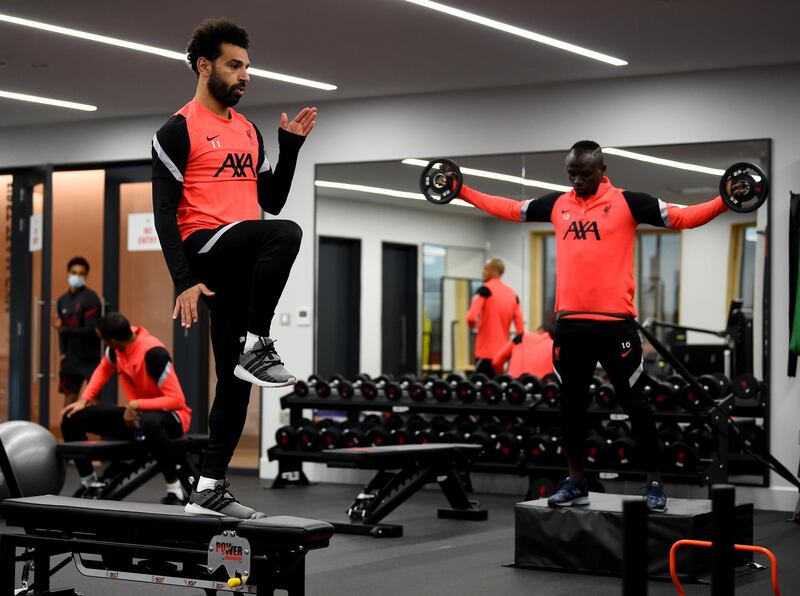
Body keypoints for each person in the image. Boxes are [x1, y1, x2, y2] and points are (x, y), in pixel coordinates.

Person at [456, 140, 734, 512]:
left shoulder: (627, 202)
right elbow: (510, 208)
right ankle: (576, 482)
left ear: (602, 169)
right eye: (571, 174)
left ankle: (653, 484)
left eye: (584, 174)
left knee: (637, 405)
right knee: (570, 408)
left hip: (616, 327)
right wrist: (462, 191)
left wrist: (724, 201)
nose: (577, 181)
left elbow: (681, 217)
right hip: (570, 328)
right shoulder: (559, 204)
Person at [151, 18, 315, 518]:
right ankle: (259, 342)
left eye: (247, 66)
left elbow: (271, 197)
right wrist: (184, 280)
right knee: (286, 233)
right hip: (205, 245)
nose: (246, 75)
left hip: (240, 253)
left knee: (235, 379)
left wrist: (288, 148)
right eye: (235, 65)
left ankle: (209, 487)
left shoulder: (247, 130)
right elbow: (163, 213)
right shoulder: (177, 131)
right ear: (205, 66)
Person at [61, 313, 192, 505]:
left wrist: (137, 404)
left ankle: (174, 489)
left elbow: (176, 399)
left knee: (150, 421)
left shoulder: (153, 353)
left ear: (113, 341)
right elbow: (103, 370)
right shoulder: (116, 350)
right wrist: (84, 400)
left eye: (103, 340)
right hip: (137, 416)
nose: (104, 344)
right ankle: (90, 482)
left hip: (173, 418)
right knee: (72, 417)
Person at [55, 256, 102, 407]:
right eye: (74, 272)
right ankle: (69, 430)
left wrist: (64, 329)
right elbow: (61, 331)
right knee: (69, 399)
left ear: (86, 276)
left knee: (93, 400)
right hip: (70, 358)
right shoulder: (62, 300)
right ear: (68, 273)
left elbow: (91, 329)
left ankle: (95, 431)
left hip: (90, 358)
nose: (77, 276)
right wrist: (62, 352)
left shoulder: (91, 298)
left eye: (81, 273)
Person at [466, 258, 524, 377]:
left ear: (494, 271)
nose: (483, 272)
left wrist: (474, 327)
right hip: (502, 356)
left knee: (481, 390)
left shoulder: (484, 290)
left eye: (485, 269)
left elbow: (471, 317)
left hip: (485, 353)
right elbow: (520, 330)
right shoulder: (513, 294)